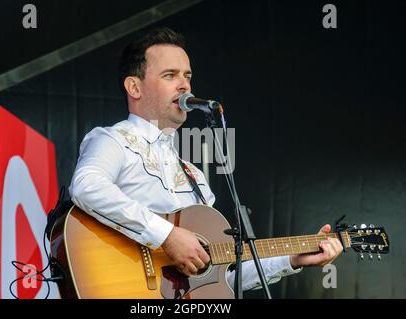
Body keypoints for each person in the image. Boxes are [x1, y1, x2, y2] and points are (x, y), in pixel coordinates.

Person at [69, 27, 343, 294]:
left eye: (187, 75)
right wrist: (166, 236)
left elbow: (220, 278)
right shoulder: (113, 139)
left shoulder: (194, 176)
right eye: (170, 75)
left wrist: (291, 260)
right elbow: (87, 186)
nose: (184, 84)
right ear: (134, 87)